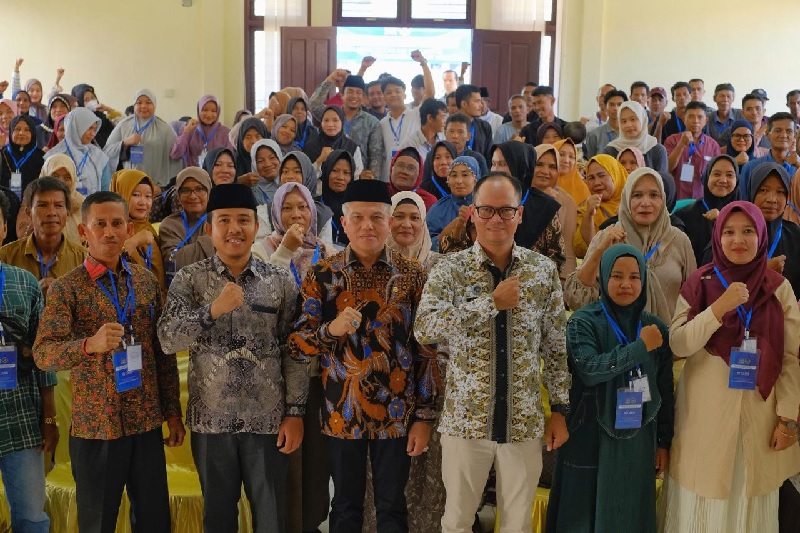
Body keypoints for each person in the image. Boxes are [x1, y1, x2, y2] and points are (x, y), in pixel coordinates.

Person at [414, 171, 570, 532]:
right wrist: (489, 304)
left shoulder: (542, 271)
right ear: (473, 213)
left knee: (517, 523)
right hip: (466, 421)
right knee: (457, 521)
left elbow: (555, 347)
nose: (495, 219)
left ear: (520, 214)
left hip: (523, 422)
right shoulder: (449, 269)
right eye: (486, 210)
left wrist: (560, 409)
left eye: (505, 210)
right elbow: (425, 329)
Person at [288, 179, 438, 533]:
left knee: (392, 506)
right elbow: (297, 344)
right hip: (341, 412)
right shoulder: (323, 274)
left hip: (397, 413)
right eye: (358, 217)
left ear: (389, 222)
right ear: (344, 223)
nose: (367, 225)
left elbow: (425, 350)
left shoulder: (412, 275)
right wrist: (332, 330)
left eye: (376, 217)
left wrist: (424, 417)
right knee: (344, 506)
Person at [33, 190, 183, 532]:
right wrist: (89, 345)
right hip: (96, 427)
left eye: (117, 223)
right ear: (83, 232)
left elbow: (162, 353)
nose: (109, 232)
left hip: (145, 421)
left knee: (154, 521)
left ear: (129, 229)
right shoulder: (67, 289)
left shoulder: (145, 282)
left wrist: (172, 412)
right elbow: (44, 353)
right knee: (98, 524)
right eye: (99, 224)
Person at [157, 183, 303, 533]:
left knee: (271, 518)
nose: (234, 229)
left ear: (257, 227)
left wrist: (295, 412)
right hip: (212, 423)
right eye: (224, 220)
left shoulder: (280, 280)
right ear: (209, 228)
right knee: (218, 519)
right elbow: (167, 338)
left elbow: (294, 349)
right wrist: (211, 311)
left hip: (267, 422)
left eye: (243, 220)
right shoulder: (190, 279)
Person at [661, 201, 800, 533]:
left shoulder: (778, 288)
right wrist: (717, 309)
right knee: (702, 500)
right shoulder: (700, 282)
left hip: (760, 419)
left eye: (748, 231)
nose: (738, 240)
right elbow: (678, 344)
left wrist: (788, 418)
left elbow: (792, 357)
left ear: (761, 235)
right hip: (704, 422)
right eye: (729, 232)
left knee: (750, 501)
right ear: (717, 237)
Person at [546, 244, 673, 533]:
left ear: (644, 280)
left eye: (634, 277)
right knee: (583, 516)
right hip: (588, 435)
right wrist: (640, 348)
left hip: (638, 440)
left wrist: (663, 442)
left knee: (629, 514)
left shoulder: (654, 327)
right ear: (603, 278)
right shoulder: (583, 322)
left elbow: (665, 390)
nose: (626, 284)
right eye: (617, 276)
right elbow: (590, 370)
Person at [565, 168, 696, 326]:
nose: (645, 203)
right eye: (637, 195)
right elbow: (577, 299)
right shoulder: (608, 237)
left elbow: (693, 298)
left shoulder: (679, 240)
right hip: (616, 338)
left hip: (668, 338)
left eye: (654, 195)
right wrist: (600, 249)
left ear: (663, 200)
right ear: (626, 199)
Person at [0, 177, 85, 302]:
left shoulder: (84, 259)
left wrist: (63, 294)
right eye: (42, 205)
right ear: (29, 212)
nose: (51, 212)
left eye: (58, 205)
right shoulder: (6, 256)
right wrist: (32, 294)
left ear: (67, 213)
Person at [310, 73, 384, 178]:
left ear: (363, 96)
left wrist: (371, 181)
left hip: (358, 179)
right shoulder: (331, 114)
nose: (354, 96)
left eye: (358, 92)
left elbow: (376, 158)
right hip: (326, 178)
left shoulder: (372, 122)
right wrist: (330, 80)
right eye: (350, 91)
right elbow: (313, 105)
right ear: (342, 94)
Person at [104, 89, 183, 187]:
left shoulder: (165, 128)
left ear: (154, 105)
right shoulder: (124, 125)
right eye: (139, 102)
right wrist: (124, 143)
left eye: (148, 102)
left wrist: (163, 187)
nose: (143, 106)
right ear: (134, 105)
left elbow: (175, 160)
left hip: (154, 186)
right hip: (127, 185)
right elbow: (107, 152)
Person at [744, 163, 800, 298]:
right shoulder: (734, 233)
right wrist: (762, 270)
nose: (772, 199)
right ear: (752, 191)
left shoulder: (795, 235)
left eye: (780, 192)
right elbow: (717, 282)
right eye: (763, 190)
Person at [673, 155, 740, 266]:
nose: (723, 180)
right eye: (717, 174)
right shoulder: (684, 215)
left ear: (737, 181)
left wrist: (723, 220)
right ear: (707, 177)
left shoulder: (744, 216)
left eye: (729, 175)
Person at [379, 54, 436, 180]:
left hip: (414, 177)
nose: (393, 95)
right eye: (389, 92)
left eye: (397, 91)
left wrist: (424, 64)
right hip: (388, 179)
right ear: (383, 97)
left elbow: (430, 94)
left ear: (405, 95)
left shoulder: (416, 114)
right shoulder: (382, 123)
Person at [110, 170, 166, 294]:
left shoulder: (148, 227)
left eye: (148, 196)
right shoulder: (109, 228)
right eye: (135, 195)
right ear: (121, 195)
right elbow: (107, 263)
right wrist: (135, 241)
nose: (143, 202)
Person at [159, 167, 214, 283]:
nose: (193, 196)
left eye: (199, 189)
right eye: (185, 190)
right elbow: (174, 262)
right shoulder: (170, 225)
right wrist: (213, 241)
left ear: (209, 191)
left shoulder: (219, 220)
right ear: (178, 195)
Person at [532, 144, 578, 279]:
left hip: (556, 275)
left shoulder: (567, 201)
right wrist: (543, 203)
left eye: (552, 167)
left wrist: (564, 280)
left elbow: (568, 248)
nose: (545, 171)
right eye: (539, 164)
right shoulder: (518, 195)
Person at [46, 107, 112, 195]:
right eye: (89, 128)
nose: (92, 133)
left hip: (93, 203)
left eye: (94, 129)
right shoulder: (53, 155)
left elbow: (106, 189)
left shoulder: (99, 157)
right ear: (76, 126)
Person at [573, 155, 628, 259]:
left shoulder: (632, 205)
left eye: (601, 175)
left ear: (615, 175)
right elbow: (584, 250)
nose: (597, 183)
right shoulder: (585, 209)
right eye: (591, 178)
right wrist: (589, 215)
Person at [664, 101, 721, 200]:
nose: (695, 121)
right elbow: (667, 168)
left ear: (706, 120)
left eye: (700, 117)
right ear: (684, 119)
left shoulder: (713, 145)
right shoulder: (672, 140)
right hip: (677, 197)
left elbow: (717, 174)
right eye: (691, 116)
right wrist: (681, 145)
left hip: (702, 198)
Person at [738, 112, 798, 201]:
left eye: (789, 131)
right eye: (778, 130)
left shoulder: (798, 168)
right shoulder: (750, 167)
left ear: (795, 136)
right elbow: (743, 202)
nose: (783, 135)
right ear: (767, 134)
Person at [278, 151, 334, 243]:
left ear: (307, 175)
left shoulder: (321, 214)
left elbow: (327, 250)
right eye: (285, 171)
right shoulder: (269, 211)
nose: (289, 176)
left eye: (297, 171)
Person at [426, 156, 478, 251]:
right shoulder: (437, 210)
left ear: (475, 179)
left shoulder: (486, 206)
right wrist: (451, 229)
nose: (459, 181)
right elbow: (426, 246)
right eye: (454, 175)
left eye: (465, 175)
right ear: (448, 181)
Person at [170, 94, 233, 168]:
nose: (209, 115)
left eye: (214, 111)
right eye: (205, 110)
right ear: (198, 110)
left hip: (217, 174)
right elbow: (176, 155)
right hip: (193, 173)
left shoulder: (226, 133)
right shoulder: (191, 129)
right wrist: (186, 133)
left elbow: (230, 160)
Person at [604, 101, 668, 173]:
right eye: (624, 121)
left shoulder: (657, 150)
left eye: (633, 119)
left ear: (642, 120)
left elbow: (662, 179)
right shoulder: (611, 150)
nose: (628, 125)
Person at [304, 106, 364, 179]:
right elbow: (305, 178)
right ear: (321, 123)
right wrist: (320, 160)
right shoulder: (310, 147)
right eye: (326, 120)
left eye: (335, 120)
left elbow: (357, 176)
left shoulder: (352, 147)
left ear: (342, 122)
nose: (330, 124)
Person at [35, 154, 83, 243]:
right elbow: (23, 234)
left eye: (67, 178)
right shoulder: (33, 201)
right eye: (55, 176)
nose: (61, 182)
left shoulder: (83, 203)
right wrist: (64, 210)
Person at [1, 115, 44, 198]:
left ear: (33, 133)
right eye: (17, 129)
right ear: (11, 131)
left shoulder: (42, 157)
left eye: (27, 130)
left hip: (31, 203)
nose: (21, 133)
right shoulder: (2, 154)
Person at [319, 150, 355, 248]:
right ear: (326, 171)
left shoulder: (356, 208)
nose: (340, 177)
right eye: (335, 171)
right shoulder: (315, 205)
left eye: (346, 173)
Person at [70, 83, 119, 148]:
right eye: (86, 99)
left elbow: (122, 124)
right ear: (79, 103)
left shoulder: (102, 117)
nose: (91, 101)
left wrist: (108, 109)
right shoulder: (77, 123)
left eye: (93, 97)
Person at [454, 84, 494, 160]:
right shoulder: (449, 125)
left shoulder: (485, 127)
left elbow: (489, 156)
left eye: (481, 101)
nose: (481, 105)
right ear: (464, 104)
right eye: (477, 101)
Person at [584, 89, 627, 158]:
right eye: (611, 104)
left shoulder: (630, 133)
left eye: (619, 104)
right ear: (605, 107)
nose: (616, 108)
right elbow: (590, 161)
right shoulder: (594, 135)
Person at [405, 98, 446, 164]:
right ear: (430, 118)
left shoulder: (443, 139)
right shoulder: (410, 144)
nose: (444, 122)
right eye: (442, 117)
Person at [553, 138, 590, 206]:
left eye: (571, 157)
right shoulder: (544, 183)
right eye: (561, 154)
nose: (566, 160)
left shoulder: (582, 189)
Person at [248, 138, 283, 204]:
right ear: (254, 165)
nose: (268, 164)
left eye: (272, 158)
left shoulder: (291, 184)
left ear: (280, 159)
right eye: (260, 161)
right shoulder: (251, 194)